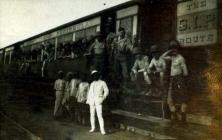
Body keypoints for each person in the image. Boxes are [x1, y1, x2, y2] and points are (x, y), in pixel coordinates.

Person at [161, 40, 188, 125]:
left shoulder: (181, 58)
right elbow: (162, 57)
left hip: (179, 79)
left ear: (178, 49)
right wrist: (169, 51)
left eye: (175, 48)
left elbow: (185, 72)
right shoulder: (171, 57)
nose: (174, 50)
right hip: (172, 80)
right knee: (170, 100)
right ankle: (174, 116)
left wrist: (181, 79)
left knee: (182, 98)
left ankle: (183, 118)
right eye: (172, 49)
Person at [86, 70, 109, 135]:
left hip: (98, 100)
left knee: (100, 115)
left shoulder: (102, 82)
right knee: (92, 115)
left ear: (98, 76)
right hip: (92, 101)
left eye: (95, 75)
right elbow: (90, 93)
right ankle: (93, 128)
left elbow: (106, 91)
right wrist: (89, 100)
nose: (94, 77)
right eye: (93, 76)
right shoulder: (92, 83)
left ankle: (102, 129)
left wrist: (103, 98)